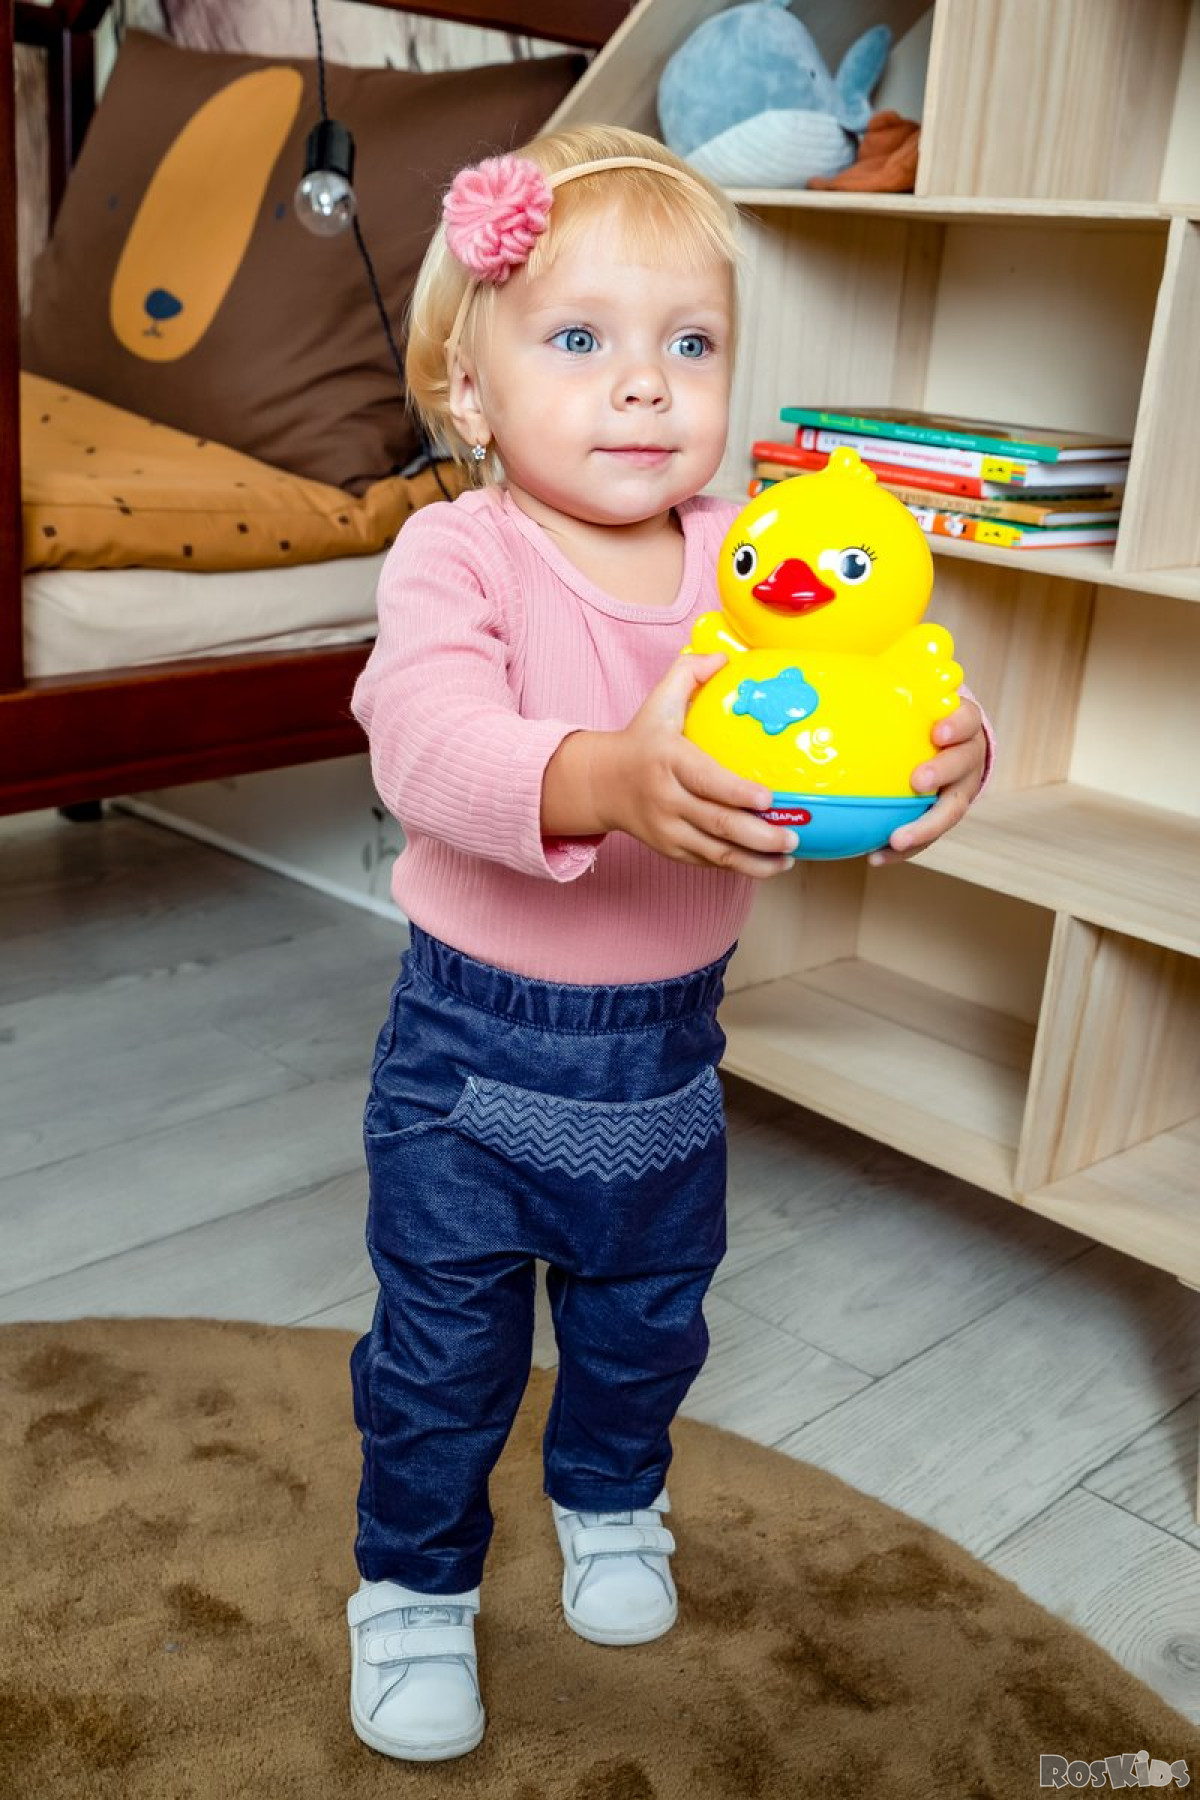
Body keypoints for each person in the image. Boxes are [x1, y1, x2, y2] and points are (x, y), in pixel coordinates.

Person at [346, 123, 993, 1764]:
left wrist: (947, 743)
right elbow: (421, 740)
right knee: (443, 1353)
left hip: (670, 1049)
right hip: (468, 1057)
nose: (646, 385)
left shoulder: (742, 558)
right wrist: (604, 780)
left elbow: (871, 664)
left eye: (690, 345)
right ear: (472, 390)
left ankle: (611, 1495)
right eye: (580, 339)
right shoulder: (462, 552)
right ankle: (412, 1585)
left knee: (649, 1323)